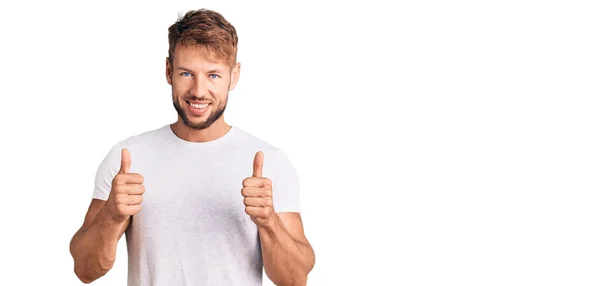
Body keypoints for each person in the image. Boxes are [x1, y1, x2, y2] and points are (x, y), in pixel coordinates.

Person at [69, 8, 315, 286]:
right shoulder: (128, 157)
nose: (198, 90)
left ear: (234, 77)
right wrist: (111, 215)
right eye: (187, 73)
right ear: (168, 71)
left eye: (213, 75)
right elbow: (85, 270)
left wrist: (269, 221)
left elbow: (295, 279)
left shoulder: (270, 161)